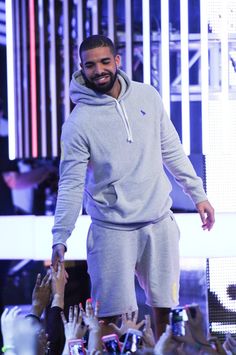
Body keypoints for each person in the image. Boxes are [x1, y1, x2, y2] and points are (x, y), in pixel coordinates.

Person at [51, 34, 215, 340]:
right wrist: (60, 236)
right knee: (113, 319)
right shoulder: (77, 122)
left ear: (117, 61)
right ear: (81, 68)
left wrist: (198, 194)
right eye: (90, 65)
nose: (98, 70)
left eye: (103, 62)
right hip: (112, 229)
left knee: (166, 308)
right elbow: (71, 183)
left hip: (158, 220)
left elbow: (171, 148)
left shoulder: (147, 96)